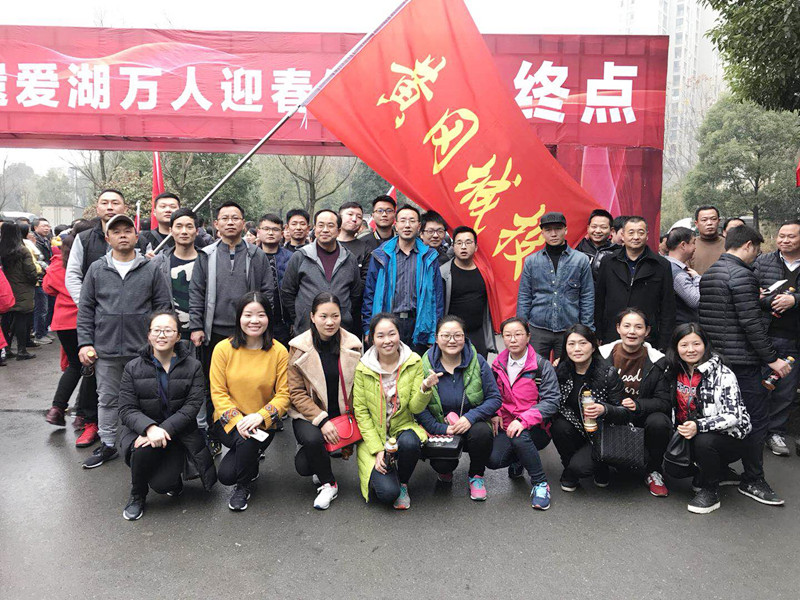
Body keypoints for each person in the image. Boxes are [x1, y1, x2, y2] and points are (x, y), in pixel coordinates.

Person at [699, 224, 789, 506]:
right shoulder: (743, 275)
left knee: (721, 417)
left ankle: (719, 469)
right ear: (748, 245)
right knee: (756, 420)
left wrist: (757, 300)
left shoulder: (711, 272)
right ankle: (752, 479)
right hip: (742, 362)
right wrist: (772, 359)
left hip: (715, 359)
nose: (757, 256)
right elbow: (751, 324)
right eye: (757, 250)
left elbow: (726, 311)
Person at [77, 214, 172, 469]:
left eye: (127, 230)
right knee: (107, 399)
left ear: (136, 236)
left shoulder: (150, 269)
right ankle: (108, 444)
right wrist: (85, 343)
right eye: (116, 231)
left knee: (148, 398)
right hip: (105, 349)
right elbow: (86, 309)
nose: (122, 235)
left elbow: (163, 307)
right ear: (107, 238)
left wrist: (159, 342)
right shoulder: (97, 269)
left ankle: (147, 442)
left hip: (142, 350)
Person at [189, 201, 277, 453]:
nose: (230, 222)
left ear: (243, 223)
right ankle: (215, 433)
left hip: (249, 331)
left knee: (249, 384)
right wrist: (196, 326)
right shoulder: (206, 255)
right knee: (213, 386)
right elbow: (196, 292)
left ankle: (251, 436)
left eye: (235, 218)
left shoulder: (256, 255)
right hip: (214, 331)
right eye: (225, 218)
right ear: (216, 224)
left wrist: (262, 323)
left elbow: (267, 291)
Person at [117, 310, 217, 521]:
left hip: (177, 433)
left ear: (178, 336)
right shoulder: (132, 368)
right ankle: (137, 495)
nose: (161, 335)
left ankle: (171, 477)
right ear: (149, 335)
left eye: (168, 331)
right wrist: (149, 428)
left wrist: (162, 430)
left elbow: (192, 406)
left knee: (164, 485)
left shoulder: (193, 366)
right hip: (142, 431)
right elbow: (126, 409)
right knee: (142, 449)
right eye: (156, 330)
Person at [210, 292, 290, 511]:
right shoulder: (223, 349)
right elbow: (218, 392)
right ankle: (246, 473)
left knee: (229, 472)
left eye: (261, 315)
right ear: (239, 318)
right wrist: (238, 420)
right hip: (228, 422)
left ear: (269, 318)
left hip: (262, 422)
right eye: (248, 315)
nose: (254, 320)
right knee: (242, 444)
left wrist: (260, 417)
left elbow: (284, 394)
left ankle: (243, 486)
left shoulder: (279, 351)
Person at [287, 292, 363, 510]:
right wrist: (322, 420)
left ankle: (322, 463)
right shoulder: (298, 347)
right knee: (305, 461)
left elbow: (359, 388)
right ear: (312, 317)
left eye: (335, 316)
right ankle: (330, 484)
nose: (330, 322)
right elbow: (296, 392)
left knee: (315, 454)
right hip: (310, 414)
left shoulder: (353, 345)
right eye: (323, 316)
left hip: (342, 413)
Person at [666, 323, 751, 514]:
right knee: (674, 470)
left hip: (727, 437)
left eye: (696, 344)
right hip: (686, 431)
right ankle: (716, 471)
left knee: (704, 441)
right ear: (676, 348)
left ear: (705, 345)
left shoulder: (723, 374)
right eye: (684, 345)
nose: (690, 350)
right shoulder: (672, 371)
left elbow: (733, 415)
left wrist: (699, 425)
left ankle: (710, 491)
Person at [415, 316, 501, 501]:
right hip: (441, 427)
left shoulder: (477, 361)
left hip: (471, 425)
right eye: (446, 335)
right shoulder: (424, 365)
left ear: (464, 337)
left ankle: (476, 476)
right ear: (436, 338)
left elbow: (494, 398)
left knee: (482, 432)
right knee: (442, 466)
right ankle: (445, 470)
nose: (452, 340)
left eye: (457, 335)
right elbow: (418, 407)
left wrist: (470, 417)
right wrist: (441, 428)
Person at [352, 313, 429, 508]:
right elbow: (361, 412)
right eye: (380, 335)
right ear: (371, 339)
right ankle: (389, 471)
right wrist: (378, 450)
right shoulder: (363, 368)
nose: (387, 340)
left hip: (401, 428)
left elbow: (415, 408)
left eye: (392, 334)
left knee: (410, 442)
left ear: (399, 335)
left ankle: (403, 482)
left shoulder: (413, 361)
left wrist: (424, 389)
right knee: (386, 494)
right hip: (374, 437)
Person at [598, 308, 672, 497]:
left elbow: (664, 402)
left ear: (647, 331)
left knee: (659, 421)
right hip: (610, 416)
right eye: (627, 326)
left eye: (638, 327)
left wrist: (638, 405)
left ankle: (653, 470)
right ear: (618, 328)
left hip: (641, 418)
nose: (632, 331)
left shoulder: (658, 361)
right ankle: (600, 463)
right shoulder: (601, 356)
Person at [487, 317, 560, 509]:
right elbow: (492, 394)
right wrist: (495, 412)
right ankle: (520, 458)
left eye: (518, 334)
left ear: (528, 337)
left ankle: (540, 484)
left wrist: (523, 420)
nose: (513, 339)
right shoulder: (497, 364)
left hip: (536, 428)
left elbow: (552, 401)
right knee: (493, 460)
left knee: (520, 436)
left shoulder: (541, 366)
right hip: (506, 425)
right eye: (507, 335)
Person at [551, 325, 628, 491]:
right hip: (576, 430)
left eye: (583, 343)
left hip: (603, 433)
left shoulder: (608, 373)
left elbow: (625, 413)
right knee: (558, 426)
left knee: (580, 468)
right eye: (571, 344)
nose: (577, 349)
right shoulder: (561, 371)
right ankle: (571, 468)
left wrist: (604, 409)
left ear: (593, 347)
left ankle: (598, 466)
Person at [362, 205, 444, 354]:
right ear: (396, 224)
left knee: (417, 366)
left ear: (419, 226)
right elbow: (370, 293)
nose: (407, 225)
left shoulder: (429, 256)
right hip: (388, 322)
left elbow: (437, 297)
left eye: (412, 221)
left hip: (419, 323)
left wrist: (435, 333)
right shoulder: (381, 255)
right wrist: (368, 328)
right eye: (403, 221)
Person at [517, 211, 594, 361]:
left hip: (569, 328)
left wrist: (586, 329)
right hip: (538, 328)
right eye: (548, 230)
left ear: (566, 230)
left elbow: (587, 296)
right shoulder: (531, 261)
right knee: (536, 369)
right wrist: (521, 327)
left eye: (558, 229)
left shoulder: (580, 260)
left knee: (567, 370)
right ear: (542, 233)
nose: (553, 234)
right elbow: (524, 295)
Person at [753, 220, 800, 457]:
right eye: (781, 236)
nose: (784, 240)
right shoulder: (763, 261)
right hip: (766, 335)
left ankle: (775, 432)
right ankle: (755, 431)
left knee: (786, 390)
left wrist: (795, 300)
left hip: (794, 338)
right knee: (760, 385)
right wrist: (768, 300)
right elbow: (751, 292)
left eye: (791, 236)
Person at [595, 216, 675, 349]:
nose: (636, 237)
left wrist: (664, 342)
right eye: (631, 232)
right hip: (612, 334)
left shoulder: (661, 265)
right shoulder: (608, 262)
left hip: (647, 336)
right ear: (623, 235)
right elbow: (599, 300)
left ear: (647, 235)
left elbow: (668, 307)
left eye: (640, 232)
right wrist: (598, 333)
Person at [43, 234, 96, 432]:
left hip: (63, 322)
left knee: (75, 365)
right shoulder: (88, 265)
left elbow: (47, 288)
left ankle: (56, 409)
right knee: (90, 367)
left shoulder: (57, 265)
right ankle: (82, 414)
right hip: (84, 321)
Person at [281, 209, 363, 336]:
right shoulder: (300, 256)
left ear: (339, 231)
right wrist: (300, 316)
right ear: (314, 229)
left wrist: (345, 313)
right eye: (320, 225)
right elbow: (287, 292)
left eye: (330, 225)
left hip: (341, 331)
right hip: (306, 331)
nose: (325, 230)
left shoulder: (349, 258)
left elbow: (355, 294)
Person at [66, 189, 148, 305]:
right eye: (104, 203)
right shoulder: (84, 238)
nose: (110, 207)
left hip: (134, 308)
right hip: (95, 308)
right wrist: (85, 305)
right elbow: (73, 275)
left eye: (115, 203)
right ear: (97, 209)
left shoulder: (140, 240)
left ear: (125, 208)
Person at [440, 226, 495, 358]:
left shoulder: (485, 272)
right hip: (452, 334)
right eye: (459, 243)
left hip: (478, 333)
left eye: (468, 242)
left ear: (476, 247)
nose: (463, 247)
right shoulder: (444, 273)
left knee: (478, 367)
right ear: (453, 246)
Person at [150, 208, 199, 341]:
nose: (184, 231)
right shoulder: (158, 263)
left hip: (200, 332)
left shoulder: (207, 261)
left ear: (197, 231)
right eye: (179, 226)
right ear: (171, 231)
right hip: (167, 334)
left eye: (189, 227)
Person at [0, 221, 37, 360]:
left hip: (5, 288)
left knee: (6, 320)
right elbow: (30, 271)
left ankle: (6, 349)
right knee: (21, 318)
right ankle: (22, 350)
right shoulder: (22, 250)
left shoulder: (2, 249)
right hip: (22, 288)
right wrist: (34, 280)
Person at [665, 227, 701, 325]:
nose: (695, 247)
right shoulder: (676, 272)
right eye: (693, 243)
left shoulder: (666, 265)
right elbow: (695, 300)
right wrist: (697, 278)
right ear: (683, 245)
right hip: (681, 326)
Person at [31, 217, 54, 343]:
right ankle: (39, 334)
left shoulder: (46, 240)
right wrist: (49, 268)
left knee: (47, 306)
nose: (47, 228)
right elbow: (38, 260)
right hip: (40, 278)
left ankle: (43, 331)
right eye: (44, 226)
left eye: (48, 226)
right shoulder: (34, 242)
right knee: (41, 308)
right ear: (35, 227)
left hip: (47, 277)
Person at [575, 209, 617, 275]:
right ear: (588, 228)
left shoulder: (616, 252)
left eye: (603, 227)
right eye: (594, 227)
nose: (598, 231)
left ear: (611, 230)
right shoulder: (578, 247)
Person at [337, 202, 370, 279]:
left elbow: (366, 279)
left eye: (359, 217)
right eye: (350, 214)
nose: (354, 219)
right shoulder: (327, 244)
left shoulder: (365, 250)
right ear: (339, 217)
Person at [692, 205, 725, 275]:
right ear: (696, 224)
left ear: (719, 221)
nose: (709, 223)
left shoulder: (729, 245)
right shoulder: (690, 245)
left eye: (713, 219)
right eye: (704, 220)